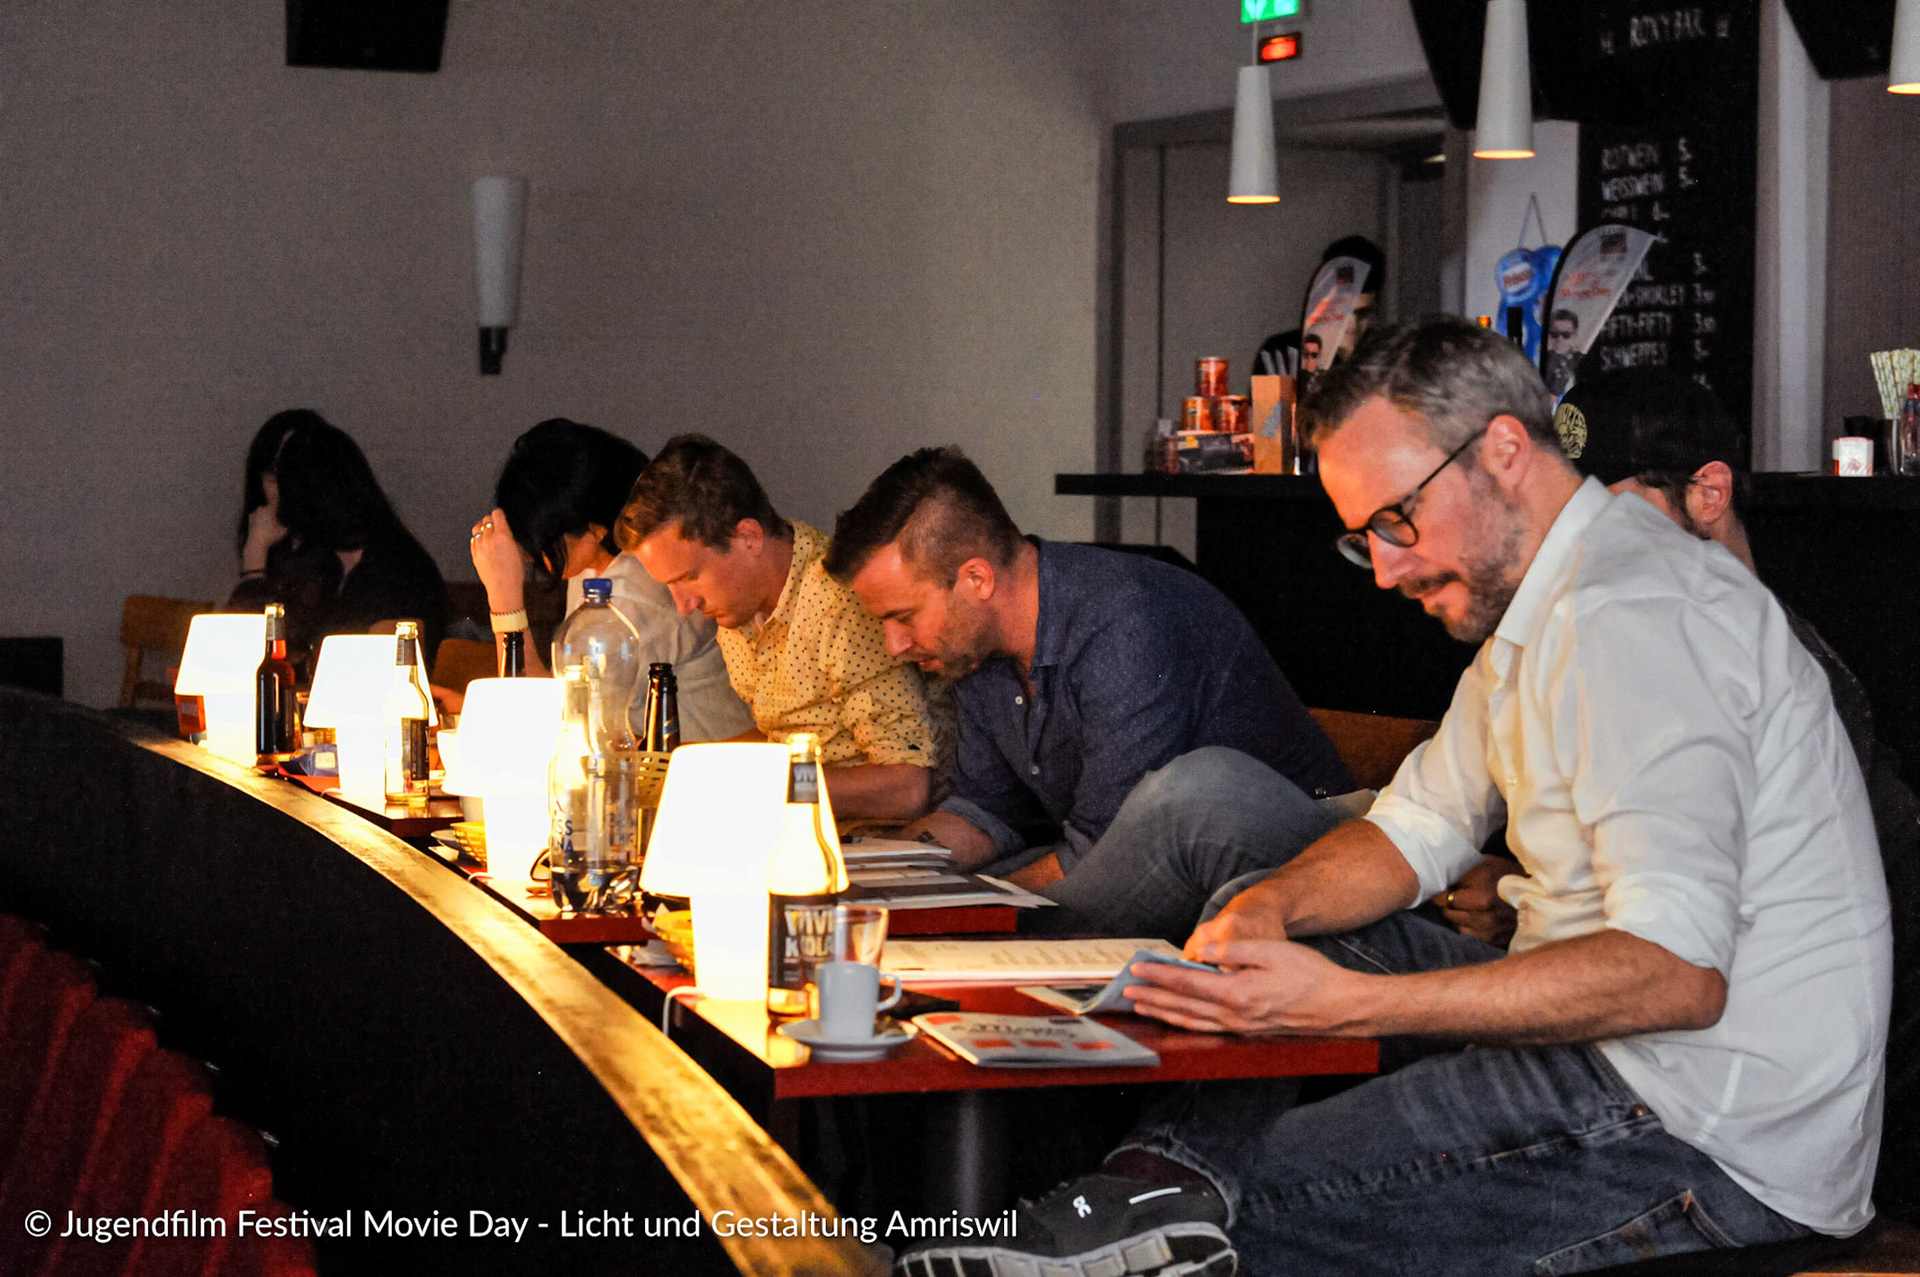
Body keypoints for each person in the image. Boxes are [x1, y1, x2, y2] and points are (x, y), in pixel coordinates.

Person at [897, 319, 1890, 1277]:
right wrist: (1267, 911)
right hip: (1610, 1047)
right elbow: (1418, 825)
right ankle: (1151, 1194)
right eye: (1362, 537)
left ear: (1503, 450)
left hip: (1710, 1130)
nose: (1384, 569)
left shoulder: (1636, 612)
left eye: (1395, 520)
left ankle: (1149, 1214)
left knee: (1250, 1202)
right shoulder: (1551, 598)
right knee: (1275, 910)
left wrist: (1354, 1005)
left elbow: (1675, 976)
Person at [825, 447, 1354, 940]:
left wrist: (946, 908)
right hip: (1127, 857)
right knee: (891, 918)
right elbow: (985, 811)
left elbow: (1104, 851)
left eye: (904, 616)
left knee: (953, 930)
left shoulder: (1122, 621)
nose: (894, 645)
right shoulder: (976, 649)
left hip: (1290, 867)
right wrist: (862, 872)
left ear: (976, 579)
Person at [615, 435, 936, 821]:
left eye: (690, 577)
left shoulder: (838, 604)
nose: (685, 606)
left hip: (869, 844)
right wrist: (687, 765)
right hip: (786, 833)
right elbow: (783, 736)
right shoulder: (737, 609)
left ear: (748, 537)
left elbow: (907, 786)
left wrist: (759, 784)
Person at [466, 419, 751, 743]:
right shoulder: (595, 566)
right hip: (656, 761)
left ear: (596, 531)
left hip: (703, 765)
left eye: (542, 541)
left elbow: (559, 727)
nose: (531, 554)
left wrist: (503, 598)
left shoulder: (637, 594)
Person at [228, 411, 447, 673]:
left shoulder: (394, 571)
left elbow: (371, 674)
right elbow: (241, 656)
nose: (272, 493)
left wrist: (254, 561)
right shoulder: (328, 565)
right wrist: (256, 555)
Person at [1252, 234, 1385, 384]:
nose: (1352, 323)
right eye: (1343, 310)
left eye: (1362, 313)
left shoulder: (1382, 355)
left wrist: (1349, 358)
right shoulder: (1280, 353)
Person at [1543, 307, 1580, 398]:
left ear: (1575, 335)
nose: (1559, 339)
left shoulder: (1583, 361)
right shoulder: (1540, 360)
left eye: (1566, 335)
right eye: (1554, 334)